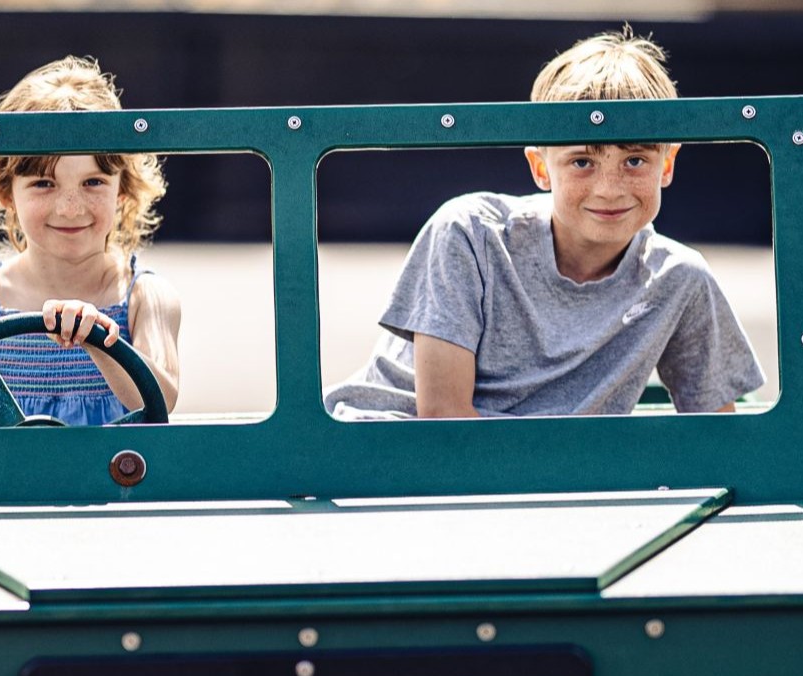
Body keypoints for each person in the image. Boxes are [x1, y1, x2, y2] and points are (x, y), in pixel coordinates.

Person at [324, 27, 763, 419]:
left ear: (667, 165)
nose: (609, 189)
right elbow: (443, 421)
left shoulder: (678, 280)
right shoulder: (470, 234)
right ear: (540, 168)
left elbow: (718, 433)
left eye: (635, 160)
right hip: (388, 455)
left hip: (547, 485)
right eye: (581, 162)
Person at [0, 56, 181, 428]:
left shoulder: (145, 296)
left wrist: (98, 339)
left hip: (118, 484)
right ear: (6, 193)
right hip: (13, 486)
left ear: (122, 190)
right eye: (43, 184)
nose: (69, 208)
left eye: (93, 182)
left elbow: (162, 400)